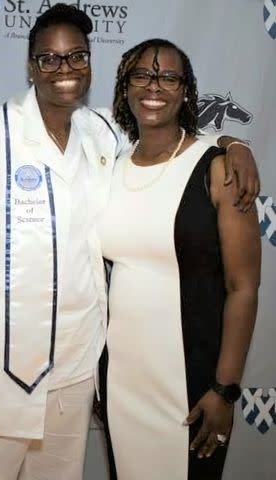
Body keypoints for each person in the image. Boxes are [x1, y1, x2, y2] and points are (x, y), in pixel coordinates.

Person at [0, 4, 259, 479]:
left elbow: (168, 131)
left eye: (77, 57)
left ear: (91, 63)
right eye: (50, 59)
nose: (65, 70)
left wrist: (233, 143)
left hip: (74, 375)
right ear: (32, 66)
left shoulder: (101, 133)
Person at [98, 38, 261, 480]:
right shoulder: (108, 165)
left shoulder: (219, 168)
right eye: (142, 76)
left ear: (187, 90)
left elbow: (243, 287)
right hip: (120, 380)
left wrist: (225, 391)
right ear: (124, 87)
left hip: (193, 384)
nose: (155, 86)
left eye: (169, 77)